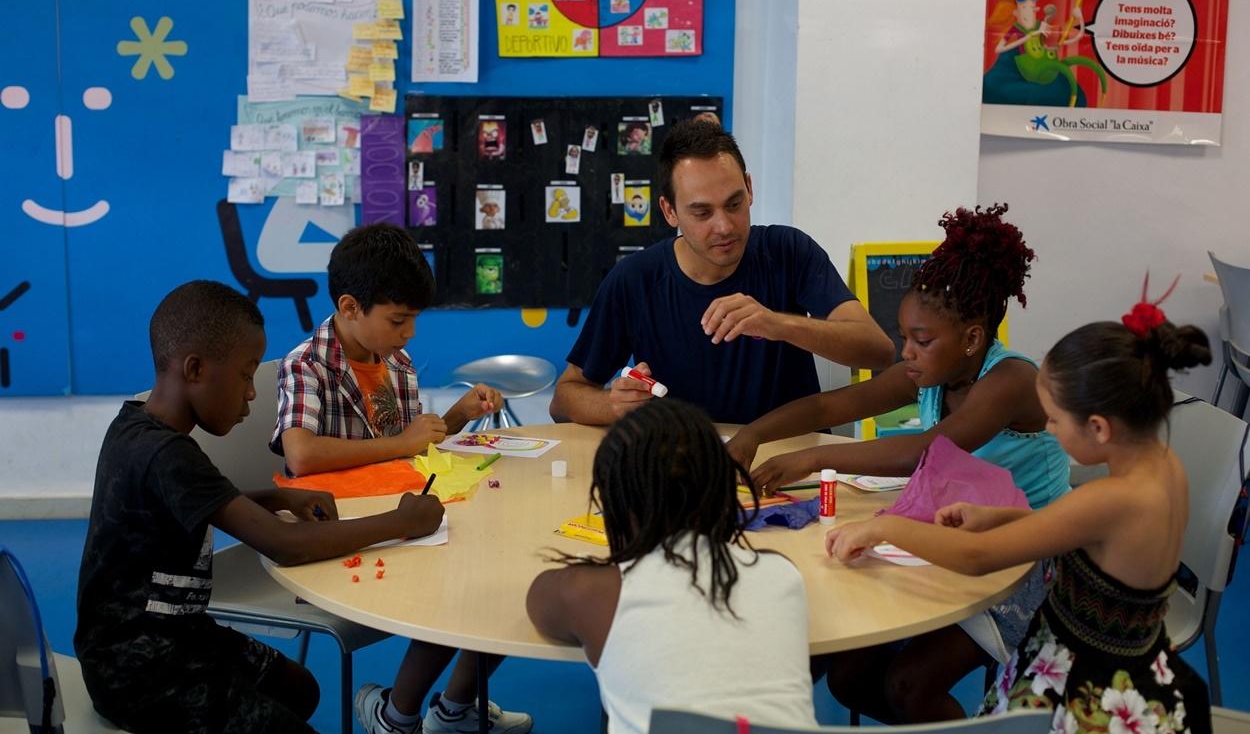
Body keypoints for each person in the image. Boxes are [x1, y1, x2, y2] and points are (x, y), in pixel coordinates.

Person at [731, 204, 1070, 723]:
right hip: (954, 539)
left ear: (972, 339)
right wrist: (754, 433)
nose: (905, 352)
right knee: (848, 676)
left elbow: (925, 451)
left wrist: (814, 455)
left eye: (921, 340)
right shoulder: (928, 372)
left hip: (1025, 561)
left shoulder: (1010, 383)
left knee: (908, 686)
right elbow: (831, 405)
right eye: (904, 336)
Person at [74, 280, 445, 733]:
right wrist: (400, 522)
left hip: (178, 636)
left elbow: (198, 500)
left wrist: (279, 496)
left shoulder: (137, 425)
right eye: (246, 374)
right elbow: (285, 544)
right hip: (138, 668)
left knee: (299, 689)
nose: (252, 393)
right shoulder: (167, 455)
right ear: (195, 370)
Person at [827, 302, 1214, 734]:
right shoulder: (1163, 467)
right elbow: (1088, 535)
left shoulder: (1110, 499)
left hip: (1091, 685)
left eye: (1054, 419)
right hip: (1143, 654)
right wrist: (1000, 516)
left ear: (1099, 428)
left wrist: (884, 526)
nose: (1048, 430)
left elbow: (976, 557)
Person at [270, 224, 531, 734]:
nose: (409, 333)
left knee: (503, 572)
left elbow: (412, 450)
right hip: (341, 533)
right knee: (462, 586)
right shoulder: (307, 365)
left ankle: (448, 710)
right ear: (349, 308)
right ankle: (400, 718)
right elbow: (300, 456)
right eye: (399, 320)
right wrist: (405, 443)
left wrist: (456, 415)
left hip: (397, 518)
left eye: (413, 319)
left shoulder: (398, 363)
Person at [550, 119, 893, 426]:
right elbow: (564, 398)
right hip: (685, 471)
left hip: (789, 465)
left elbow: (878, 350)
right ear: (669, 211)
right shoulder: (634, 280)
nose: (725, 226)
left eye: (734, 204)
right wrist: (614, 405)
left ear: (750, 188)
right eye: (701, 213)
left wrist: (777, 323)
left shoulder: (788, 250)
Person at [527, 400, 817, 734]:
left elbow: (538, 601)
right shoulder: (781, 573)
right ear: (722, 491)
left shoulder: (591, 591)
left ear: (613, 502)